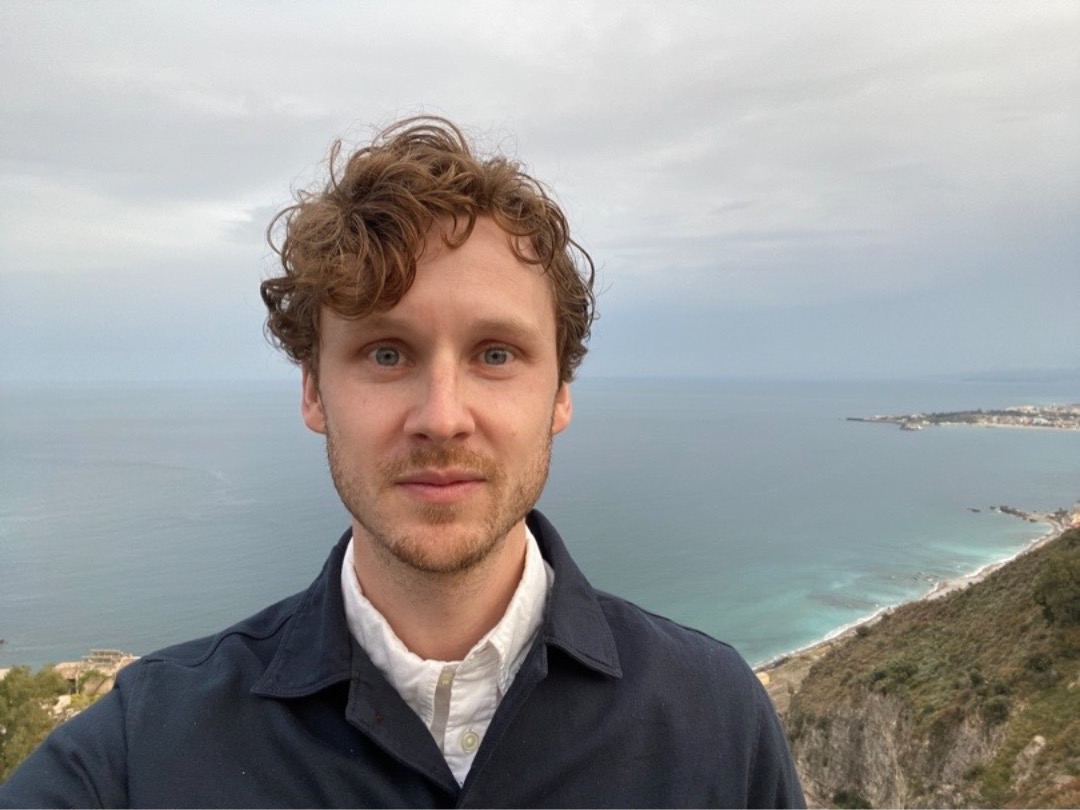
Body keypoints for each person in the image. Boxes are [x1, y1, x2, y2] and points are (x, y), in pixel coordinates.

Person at [0, 117, 804, 808]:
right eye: (386, 353)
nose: (442, 417)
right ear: (314, 391)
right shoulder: (142, 751)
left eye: (496, 353)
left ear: (561, 393)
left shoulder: (714, 720)